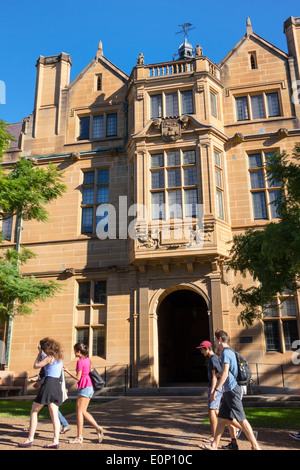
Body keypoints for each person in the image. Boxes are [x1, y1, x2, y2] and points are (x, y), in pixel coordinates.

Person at [200, 329, 261, 451]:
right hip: (229, 390)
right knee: (222, 419)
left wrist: (216, 390)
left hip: (232, 390)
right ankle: (214, 446)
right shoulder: (229, 352)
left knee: (241, 419)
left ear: (220, 340)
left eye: (216, 340)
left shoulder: (227, 353)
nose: (215, 342)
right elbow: (225, 373)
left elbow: (225, 374)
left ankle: (255, 446)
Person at [18, 338, 64, 449]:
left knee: (34, 411)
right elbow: (52, 374)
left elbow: (36, 365)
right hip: (56, 385)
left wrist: (39, 352)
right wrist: (40, 382)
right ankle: (55, 441)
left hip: (49, 385)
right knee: (54, 414)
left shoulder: (49, 357)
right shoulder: (59, 358)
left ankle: (30, 439)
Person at [63, 342, 104, 444]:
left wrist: (67, 371)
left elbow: (78, 377)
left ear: (79, 351)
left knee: (79, 412)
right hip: (90, 387)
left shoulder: (80, 361)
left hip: (84, 387)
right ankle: (97, 428)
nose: (74, 352)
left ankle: (79, 437)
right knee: (83, 411)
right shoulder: (88, 360)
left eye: (75, 351)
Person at [197, 340, 223, 442]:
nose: (201, 352)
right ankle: (237, 427)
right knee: (216, 411)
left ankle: (214, 436)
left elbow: (219, 374)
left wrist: (213, 391)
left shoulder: (213, 359)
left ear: (207, 349)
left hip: (215, 388)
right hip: (214, 387)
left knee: (211, 410)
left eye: (202, 350)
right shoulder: (213, 359)